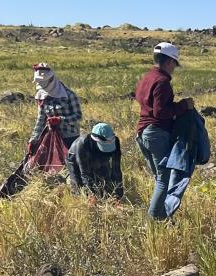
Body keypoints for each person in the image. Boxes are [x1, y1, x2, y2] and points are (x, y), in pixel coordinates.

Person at [136, 42, 196, 220]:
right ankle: (155, 219)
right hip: (156, 133)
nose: (174, 69)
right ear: (169, 62)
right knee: (164, 179)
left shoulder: (146, 78)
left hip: (143, 132)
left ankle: (160, 215)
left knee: (159, 178)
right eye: (174, 65)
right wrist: (183, 106)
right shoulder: (162, 82)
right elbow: (160, 112)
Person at [29, 63, 82, 153]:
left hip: (70, 137)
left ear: (51, 80)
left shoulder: (69, 95)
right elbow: (41, 120)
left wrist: (60, 120)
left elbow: (78, 116)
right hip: (51, 137)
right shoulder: (42, 96)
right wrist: (33, 139)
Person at [67, 122, 124, 202]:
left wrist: (119, 195)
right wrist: (91, 194)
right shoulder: (82, 144)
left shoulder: (115, 141)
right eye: (104, 145)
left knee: (105, 182)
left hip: (98, 154)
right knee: (78, 187)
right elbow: (85, 173)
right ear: (95, 140)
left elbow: (116, 170)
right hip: (75, 159)